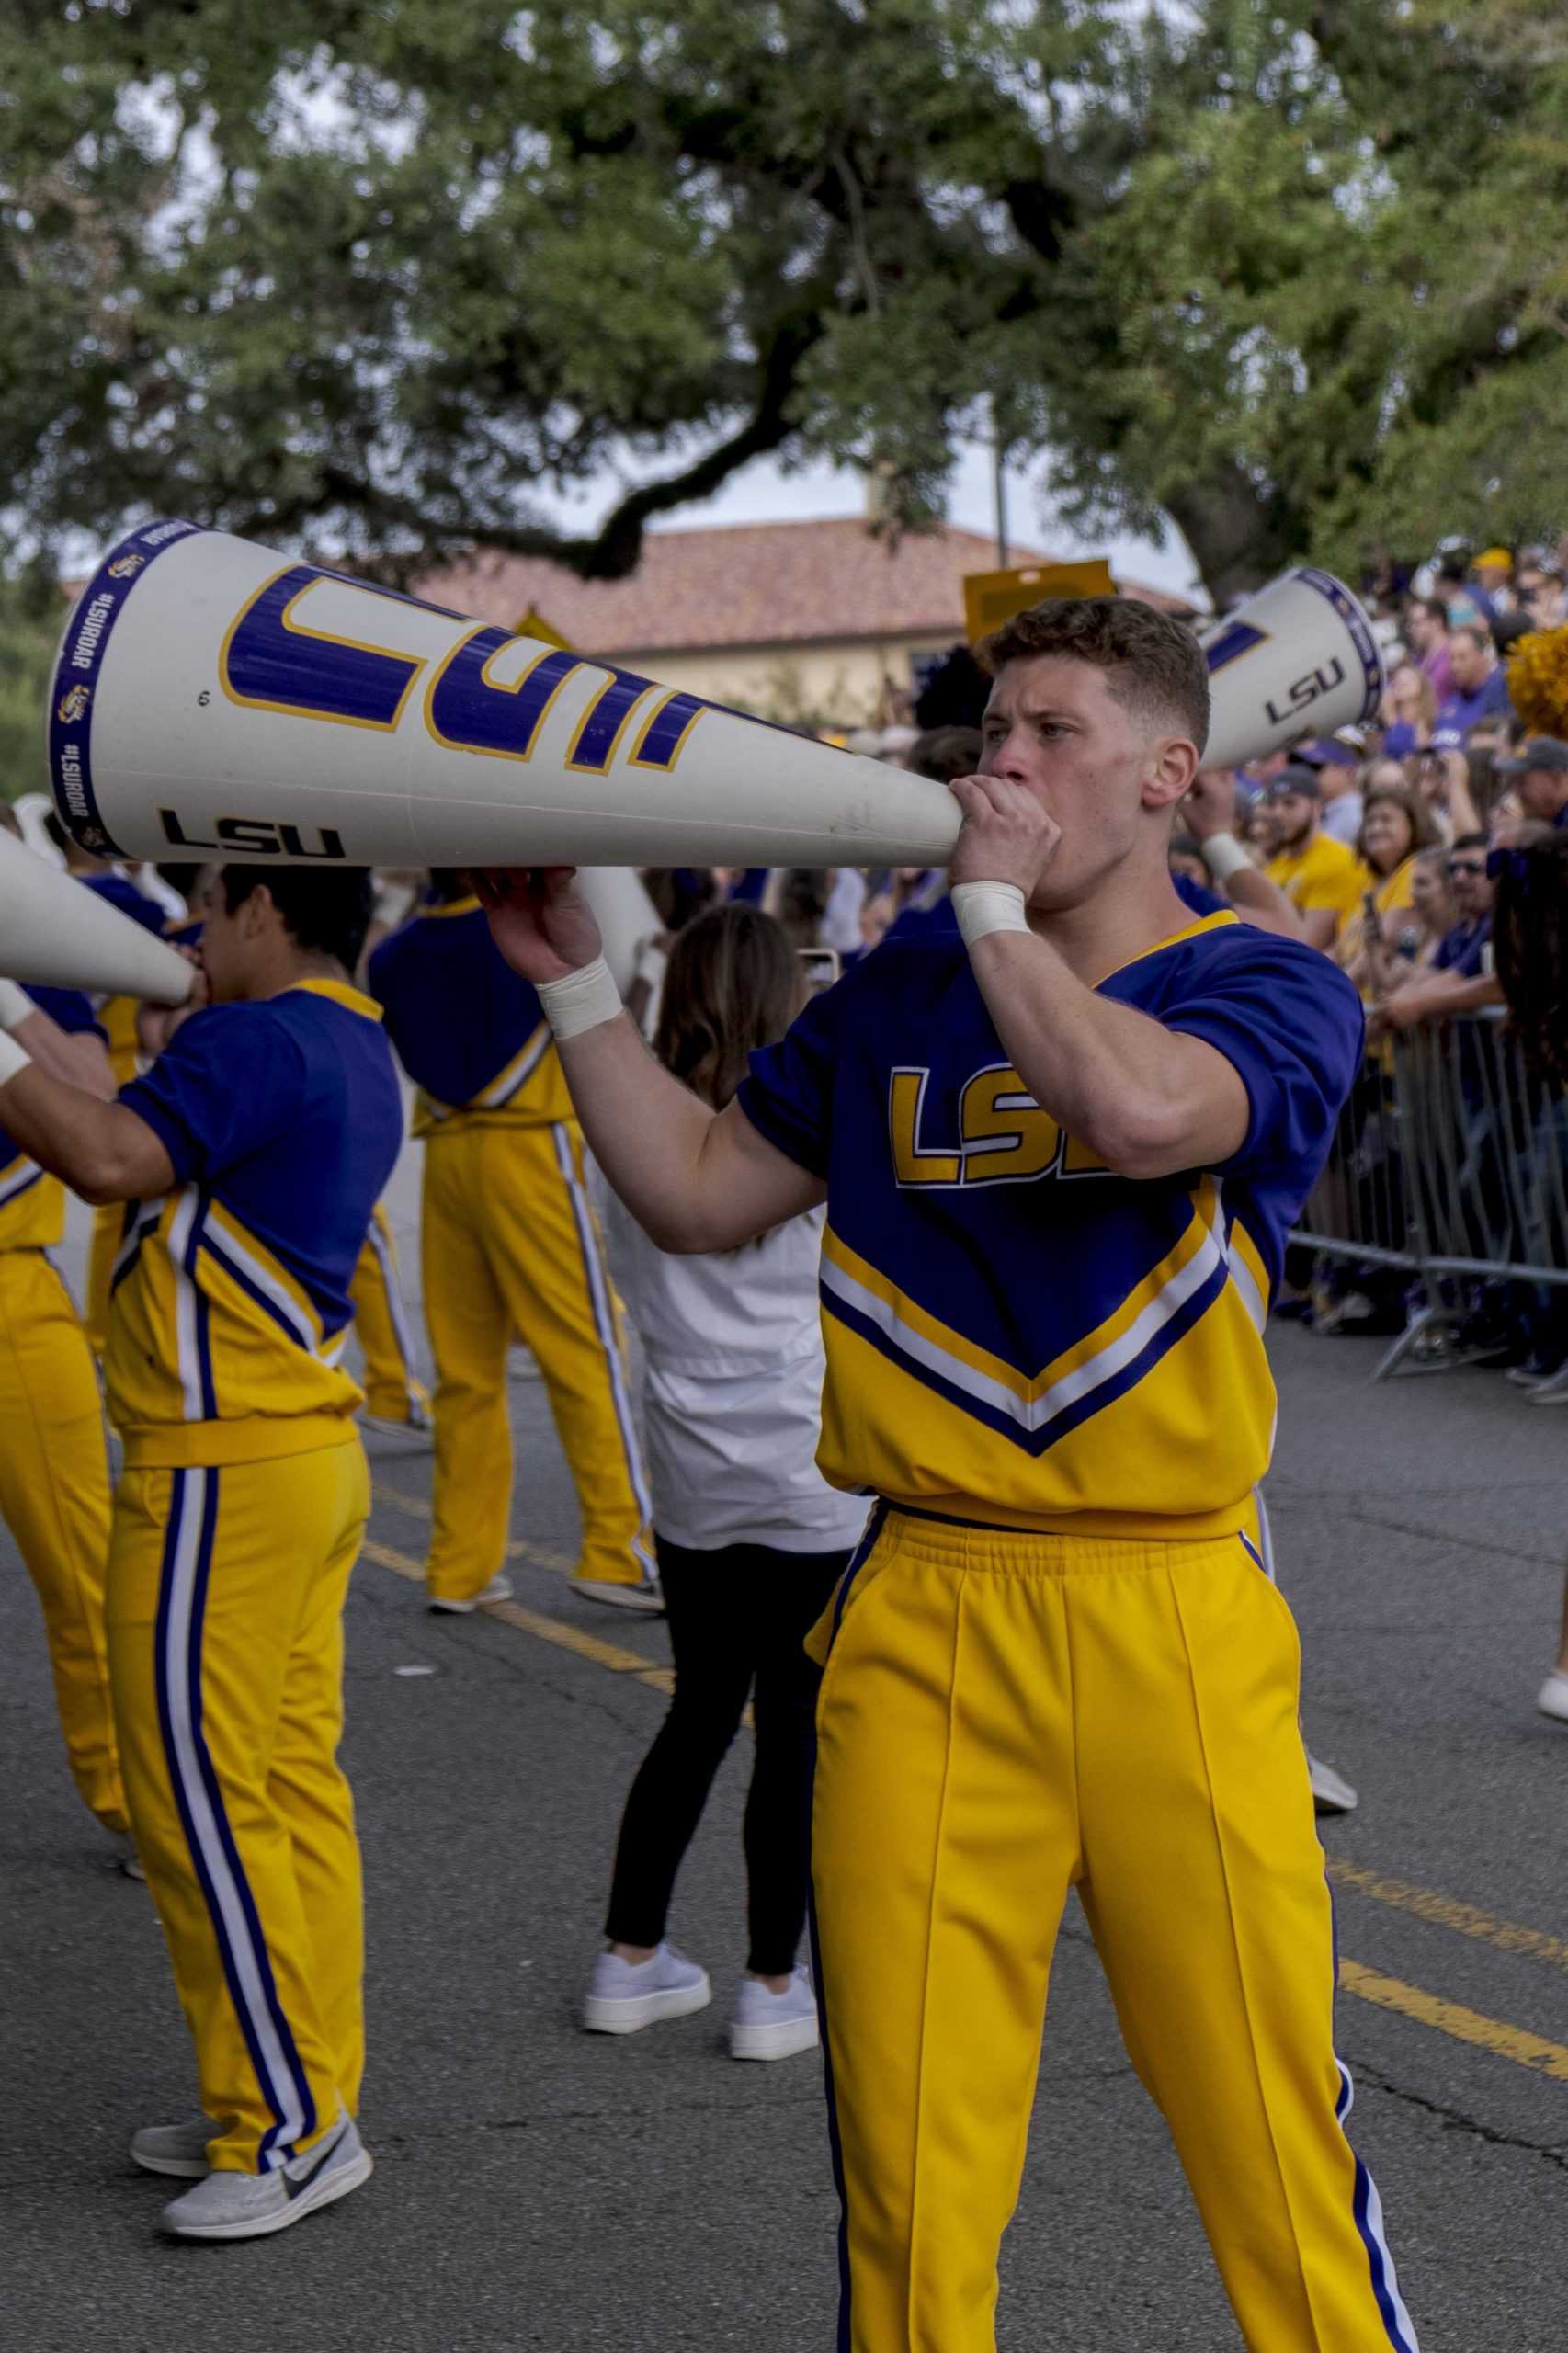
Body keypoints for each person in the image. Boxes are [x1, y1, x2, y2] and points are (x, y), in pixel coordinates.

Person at [475, 594, 1414, 2352]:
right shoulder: (899, 983)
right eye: (992, 732)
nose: (1005, 763)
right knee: (909, 2178)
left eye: (1051, 732)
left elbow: (1141, 1117)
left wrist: (987, 914)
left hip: (1174, 1614)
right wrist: (580, 986)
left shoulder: (1265, 983)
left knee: (1268, 2142)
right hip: (913, 1601)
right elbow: (690, 1187)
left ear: (1167, 773)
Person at [0, 866, 401, 2240]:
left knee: (201, 1812)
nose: (188, 935)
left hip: (219, 1477)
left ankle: (280, 2122)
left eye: (211, 910)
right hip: (296, 1464)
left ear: (263, 914)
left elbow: (104, 1157)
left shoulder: (255, 1035)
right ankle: (307, 2088)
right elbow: (114, 1110)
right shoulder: (345, 1029)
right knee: (289, 1794)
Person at [584, 905, 869, 2058]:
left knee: (697, 1708)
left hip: (688, 1466)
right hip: (807, 1469)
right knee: (792, 1729)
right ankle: (769, 1981)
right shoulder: (820, 1127)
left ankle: (630, 1954)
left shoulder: (631, 1132)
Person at [369, 870, 656, 1614]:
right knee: (584, 1353)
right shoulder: (524, 932)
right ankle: (618, 1550)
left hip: (447, 1155)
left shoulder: (395, 952)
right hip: (532, 1151)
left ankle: (459, 1566)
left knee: (466, 1375)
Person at [0, 976, 127, 1847]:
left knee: (84, 1568)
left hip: (11, 1288)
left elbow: (98, 1100)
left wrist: (8, 1001)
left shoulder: (36, 978)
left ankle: (130, 1798)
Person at [1261, 765, 1365, 946]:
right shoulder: (1275, 865)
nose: (1278, 813)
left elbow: (1309, 944)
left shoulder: (1338, 859)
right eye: (1272, 805)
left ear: (1317, 807)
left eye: (1290, 804)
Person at [1432, 625, 1512, 747]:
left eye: (1462, 658)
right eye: (1451, 659)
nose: (1455, 666)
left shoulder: (1499, 697)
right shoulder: (1450, 703)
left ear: (1482, 657)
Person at [1492, 734, 1568, 829]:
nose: (1516, 792)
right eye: (1513, 782)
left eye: (1522, 782)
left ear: (1555, 778)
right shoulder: (1552, 818)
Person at [1404, 595, 1454, 704]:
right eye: (1410, 625)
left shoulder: (1453, 655)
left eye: (1416, 623)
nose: (1412, 630)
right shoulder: (1417, 658)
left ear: (1437, 622)